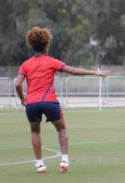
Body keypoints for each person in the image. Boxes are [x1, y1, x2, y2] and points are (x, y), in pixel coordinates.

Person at [15, 27, 109, 173]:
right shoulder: (51, 61)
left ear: (32, 45)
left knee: (35, 132)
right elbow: (74, 71)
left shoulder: (26, 64)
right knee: (62, 129)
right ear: (47, 45)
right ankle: (64, 161)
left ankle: (40, 164)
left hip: (32, 103)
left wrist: (22, 99)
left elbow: (17, 83)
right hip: (50, 102)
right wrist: (96, 73)